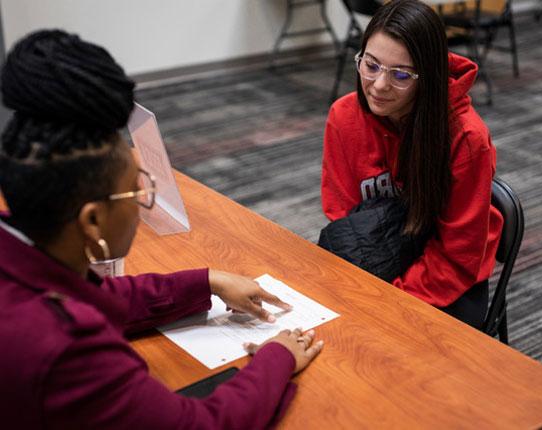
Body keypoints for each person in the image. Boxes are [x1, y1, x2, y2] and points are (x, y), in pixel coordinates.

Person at [0, 30, 323, 429]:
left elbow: (100, 293)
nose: (141, 201)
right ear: (92, 221)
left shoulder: (20, 248)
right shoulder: (64, 347)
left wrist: (207, 282)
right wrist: (279, 356)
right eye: (136, 189)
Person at [321, 0, 503, 328]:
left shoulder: (466, 138)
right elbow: (342, 215)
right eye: (371, 65)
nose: (378, 85)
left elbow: (458, 256)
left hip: (446, 274)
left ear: (426, 77)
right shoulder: (344, 117)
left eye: (401, 74)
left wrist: (392, 300)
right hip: (379, 248)